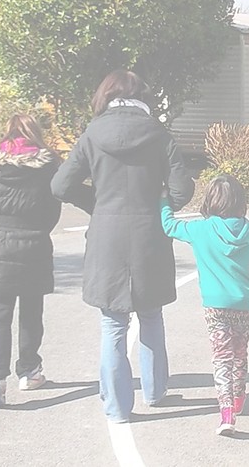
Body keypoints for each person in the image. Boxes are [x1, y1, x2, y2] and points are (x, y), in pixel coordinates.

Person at [50, 69, 194, 423]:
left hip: (107, 237)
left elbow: (60, 186)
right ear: (142, 96)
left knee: (113, 324)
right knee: (151, 315)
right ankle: (155, 391)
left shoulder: (92, 133)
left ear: (106, 96)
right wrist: (160, 204)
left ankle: (116, 408)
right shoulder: (158, 134)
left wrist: (97, 204)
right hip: (149, 236)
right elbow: (182, 189)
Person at [160, 174, 249, 436]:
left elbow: (169, 226)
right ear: (240, 201)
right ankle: (238, 398)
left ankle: (226, 412)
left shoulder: (200, 229)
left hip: (215, 305)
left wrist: (163, 201)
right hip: (245, 302)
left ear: (210, 200)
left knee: (221, 357)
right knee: (240, 352)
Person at [0, 114, 62, 407]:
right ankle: (29, 371)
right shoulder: (47, 166)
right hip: (33, 243)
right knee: (31, 311)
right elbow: (52, 212)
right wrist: (37, 230)